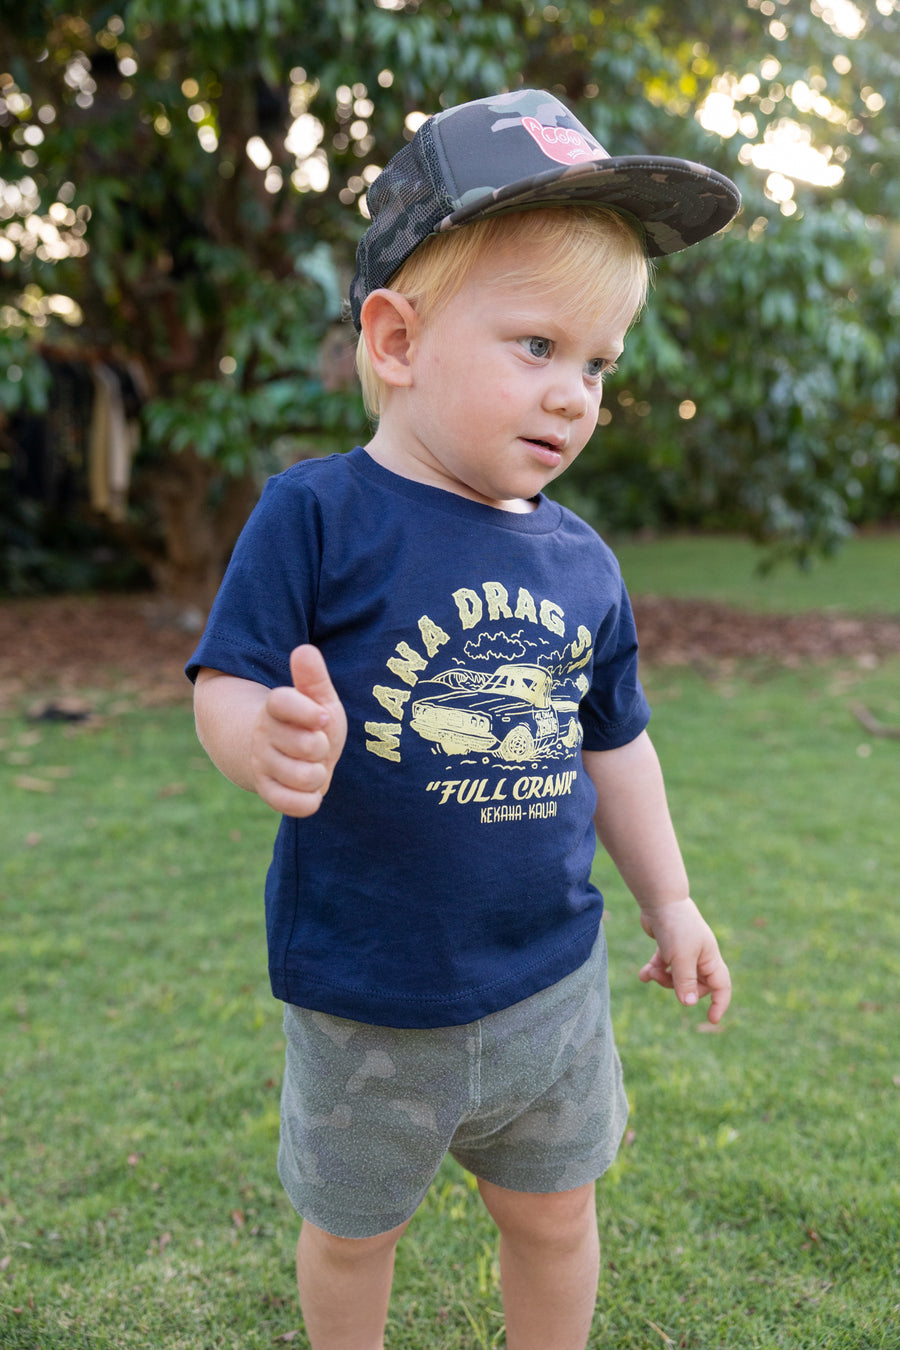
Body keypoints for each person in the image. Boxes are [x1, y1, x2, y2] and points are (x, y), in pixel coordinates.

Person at [187, 88, 739, 1350]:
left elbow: (616, 744)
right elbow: (227, 679)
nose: (576, 394)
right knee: (352, 1235)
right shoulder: (315, 516)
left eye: (599, 363)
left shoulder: (584, 563)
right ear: (396, 339)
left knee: (553, 1218)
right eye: (538, 347)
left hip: (549, 985)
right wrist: (255, 734)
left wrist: (673, 902)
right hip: (366, 995)